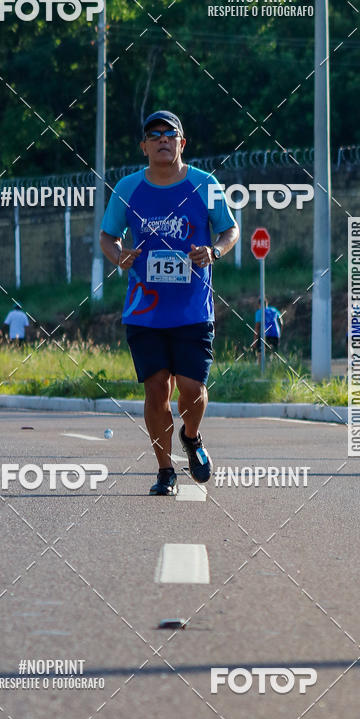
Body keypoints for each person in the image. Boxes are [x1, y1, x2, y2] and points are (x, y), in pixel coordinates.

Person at [99, 110, 239, 496]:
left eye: (169, 134)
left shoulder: (204, 184)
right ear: (144, 146)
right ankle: (165, 471)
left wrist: (214, 250)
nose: (162, 139)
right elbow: (108, 237)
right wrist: (119, 256)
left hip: (193, 309)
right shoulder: (127, 188)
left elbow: (230, 229)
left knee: (192, 390)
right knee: (156, 388)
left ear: (182, 142)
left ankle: (191, 437)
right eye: (153, 134)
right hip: (145, 310)